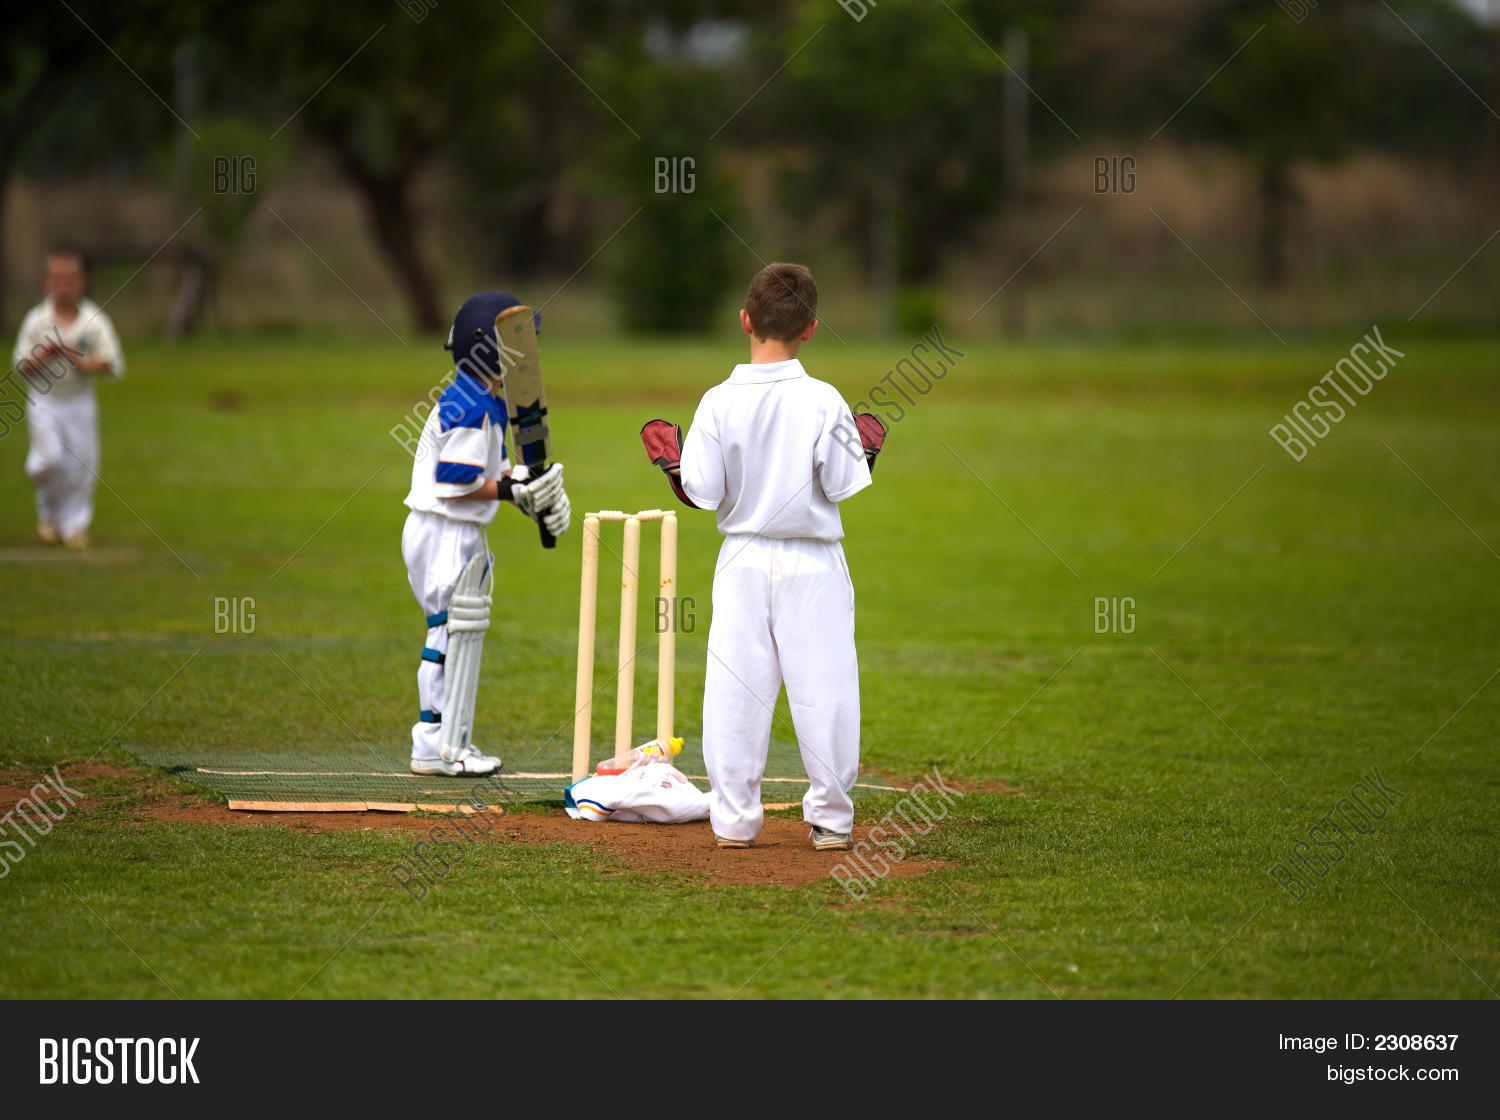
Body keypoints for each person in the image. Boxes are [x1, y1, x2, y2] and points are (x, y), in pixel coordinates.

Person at [641, 263, 886, 851]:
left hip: (743, 559)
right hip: (814, 561)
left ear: (745, 320)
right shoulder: (824, 400)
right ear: (812, 328)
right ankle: (830, 818)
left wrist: (672, 465)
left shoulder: (717, 401)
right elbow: (844, 482)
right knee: (825, 687)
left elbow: (699, 492)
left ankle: (733, 822)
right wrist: (868, 448)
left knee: (736, 690)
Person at [401, 291, 571, 776]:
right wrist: (515, 495)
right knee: (450, 632)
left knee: (458, 630)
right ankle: (437, 744)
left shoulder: (481, 399)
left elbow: (491, 473)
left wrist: (531, 487)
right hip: (443, 532)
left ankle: (447, 740)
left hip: (452, 531)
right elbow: (456, 482)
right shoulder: (470, 407)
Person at [12, 248, 126, 549]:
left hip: (79, 402)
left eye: (71, 278)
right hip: (44, 402)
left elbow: (113, 362)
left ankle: (74, 527)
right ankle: (49, 518)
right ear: (46, 283)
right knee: (47, 461)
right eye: (58, 278)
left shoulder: (94, 320)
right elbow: (20, 365)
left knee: (81, 466)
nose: (64, 285)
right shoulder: (37, 320)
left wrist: (84, 364)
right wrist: (45, 355)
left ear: (83, 281)